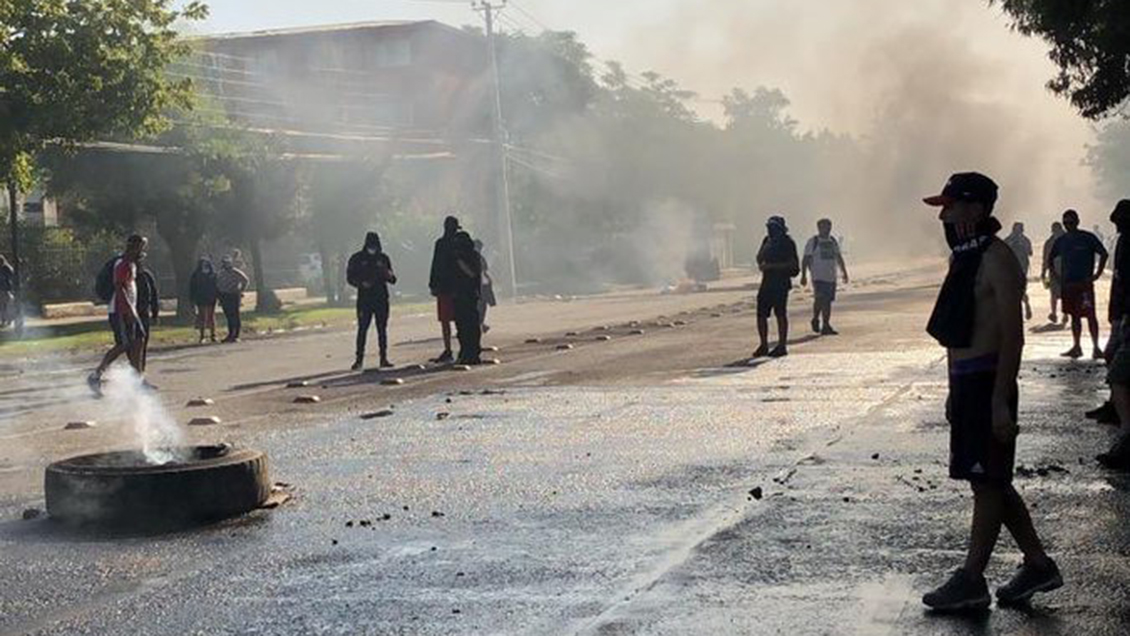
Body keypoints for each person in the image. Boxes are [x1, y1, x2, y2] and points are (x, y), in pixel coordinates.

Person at [920, 172, 1060, 612]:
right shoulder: (964, 259)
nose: (943, 215)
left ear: (976, 209)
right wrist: (950, 388)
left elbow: (1012, 337)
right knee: (989, 480)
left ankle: (971, 578)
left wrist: (1001, 398)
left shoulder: (998, 259)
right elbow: (955, 333)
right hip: (965, 381)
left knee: (987, 482)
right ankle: (1037, 564)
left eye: (951, 206)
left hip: (988, 380)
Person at [87, 235, 149, 393]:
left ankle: (137, 379)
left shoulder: (131, 264)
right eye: (141, 247)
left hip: (129, 309)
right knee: (123, 344)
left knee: (139, 340)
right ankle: (96, 375)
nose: (143, 251)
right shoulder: (122, 264)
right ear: (134, 247)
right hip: (120, 310)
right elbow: (120, 288)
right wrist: (128, 310)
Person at [1049, 209, 1108, 359]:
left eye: (1071, 222)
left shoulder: (1087, 238)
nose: (1069, 225)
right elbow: (1050, 259)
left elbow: (1104, 254)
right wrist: (1056, 277)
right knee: (1074, 316)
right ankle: (1077, 346)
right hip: (1068, 284)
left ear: (1077, 222)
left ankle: (1096, 348)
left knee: (1090, 315)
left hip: (1084, 284)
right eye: (1066, 223)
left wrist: (1096, 274)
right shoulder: (1061, 241)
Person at [1098, 200, 1130, 470]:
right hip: (1122, 312)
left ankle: (1127, 433)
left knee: (1118, 372)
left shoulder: (1128, 242)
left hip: (1126, 314)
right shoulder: (1123, 241)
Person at [346, 231, 397, 371]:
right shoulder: (357, 258)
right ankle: (359, 360)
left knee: (382, 329)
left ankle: (383, 358)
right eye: (370, 244)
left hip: (381, 298)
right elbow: (350, 278)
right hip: (365, 298)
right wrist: (361, 284)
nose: (373, 247)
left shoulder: (383, 258)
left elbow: (393, 279)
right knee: (362, 329)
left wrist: (386, 273)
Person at [753, 216, 800, 358]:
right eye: (769, 227)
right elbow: (759, 258)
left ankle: (781, 345)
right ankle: (764, 344)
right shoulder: (767, 241)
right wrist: (766, 249)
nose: (770, 230)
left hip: (781, 283)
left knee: (780, 314)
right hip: (767, 282)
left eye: (773, 228)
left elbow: (793, 266)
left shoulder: (788, 242)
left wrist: (773, 266)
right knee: (761, 314)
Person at [800, 218, 850, 335]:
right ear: (819, 228)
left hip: (831, 276)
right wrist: (803, 275)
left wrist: (844, 272)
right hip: (818, 276)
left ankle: (825, 324)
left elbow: (838, 257)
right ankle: (818, 320)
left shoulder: (832, 241)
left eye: (828, 227)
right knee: (821, 299)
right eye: (824, 227)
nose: (826, 229)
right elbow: (805, 259)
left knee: (827, 301)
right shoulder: (813, 241)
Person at [428, 215, 461, 363]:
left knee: (446, 321)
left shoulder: (440, 244)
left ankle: (448, 349)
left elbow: (435, 265)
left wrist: (433, 284)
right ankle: (462, 348)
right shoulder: (459, 243)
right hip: (458, 287)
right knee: (460, 320)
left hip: (443, 286)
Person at [451, 231, 483, 365]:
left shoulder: (473, 256)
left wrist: (460, 262)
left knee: (472, 326)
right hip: (458, 296)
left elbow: (472, 274)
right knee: (461, 327)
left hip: (470, 295)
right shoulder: (454, 257)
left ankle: (473, 352)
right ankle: (464, 352)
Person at [1003, 222, 1034, 321]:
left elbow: (1030, 252)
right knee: (1015, 290)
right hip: (1011, 269)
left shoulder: (1023, 240)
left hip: (1019, 269)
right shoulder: (1012, 240)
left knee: (1018, 289)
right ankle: (1021, 307)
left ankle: (1025, 306)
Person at [216, 255, 250, 343]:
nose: (226, 265)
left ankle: (236, 335)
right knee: (228, 316)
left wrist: (241, 290)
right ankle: (230, 334)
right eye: (224, 263)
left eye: (227, 263)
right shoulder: (221, 273)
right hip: (224, 296)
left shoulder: (236, 272)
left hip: (233, 295)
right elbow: (218, 284)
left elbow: (245, 280)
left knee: (235, 315)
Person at [135, 257, 160, 375]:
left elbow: (154, 295)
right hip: (131, 313)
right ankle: (134, 371)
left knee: (143, 342)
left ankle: (141, 371)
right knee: (132, 344)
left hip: (144, 312)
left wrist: (155, 313)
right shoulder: (128, 275)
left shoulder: (146, 275)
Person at [1040, 222, 1068, 325]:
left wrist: (1043, 271)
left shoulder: (1050, 242)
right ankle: (1060, 314)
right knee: (1061, 293)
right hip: (1063, 271)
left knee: (1055, 294)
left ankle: (1056, 313)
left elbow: (1046, 258)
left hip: (1058, 270)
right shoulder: (1067, 239)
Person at [189, 258, 219, 343]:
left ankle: (213, 335)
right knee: (203, 317)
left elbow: (217, 286)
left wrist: (218, 296)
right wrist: (192, 299)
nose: (204, 265)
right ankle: (202, 336)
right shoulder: (196, 275)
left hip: (211, 298)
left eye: (206, 264)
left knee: (211, 316)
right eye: (203, 264)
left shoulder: (213, 274)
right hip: (201, 298)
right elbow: (192, 287)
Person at [474, 239, 497, 334]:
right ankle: (479, 324)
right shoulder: (477, 257)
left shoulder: (477, 257)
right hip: (479, 285)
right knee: (481, 306)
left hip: (480, 284)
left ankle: (480, 324)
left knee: (481, 306)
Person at [0, 253, 14, 328]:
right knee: (3, 306)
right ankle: (4, 321)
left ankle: (8, 321)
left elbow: (12, 275)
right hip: (2, 290)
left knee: (7, 306)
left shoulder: (6, 268)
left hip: (6, 290)